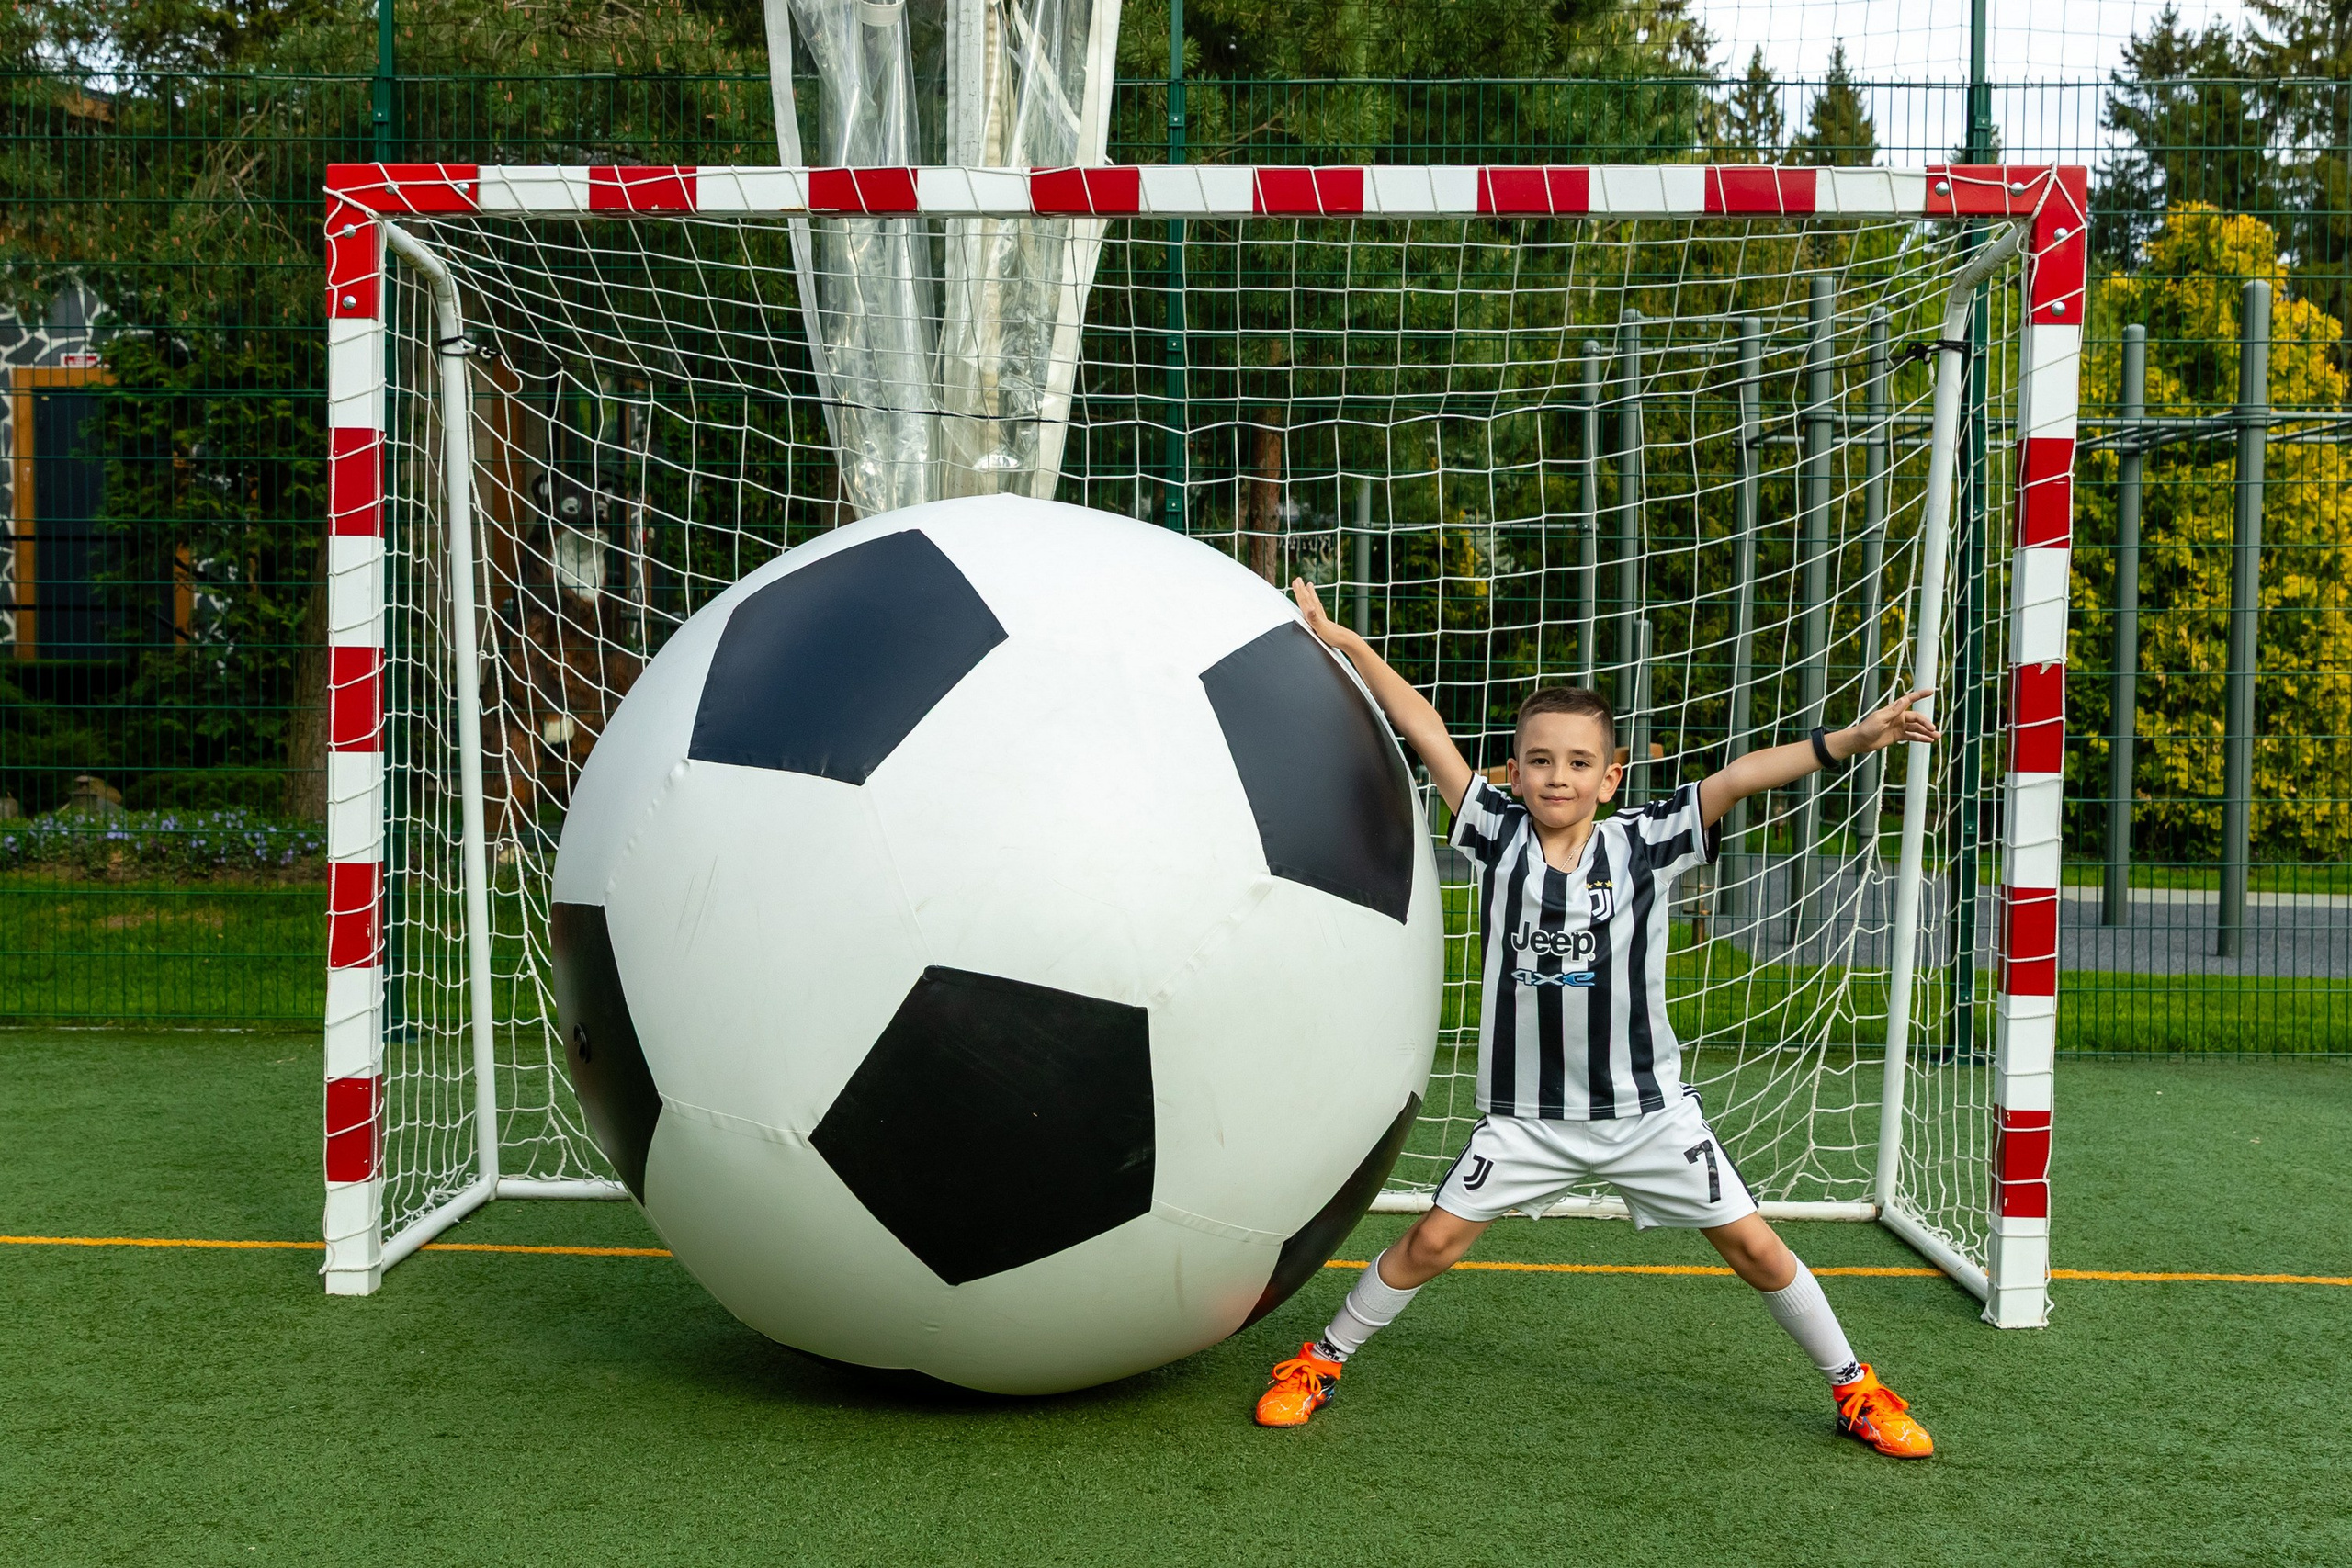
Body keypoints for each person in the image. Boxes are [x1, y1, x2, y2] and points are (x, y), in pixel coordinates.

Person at [1255, 578, 1941, 1460]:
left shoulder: (1645, 841)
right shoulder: (1491, 830)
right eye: (1540, 760)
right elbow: (1424, 726)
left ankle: (1856, 1388)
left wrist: (1852, 737)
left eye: (1579, 763)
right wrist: (1346, 644)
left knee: (1758, 1250)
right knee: (1429, 1242)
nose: (1558, 776)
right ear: (1513, 771)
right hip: (1528, 1122)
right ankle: (1321, 1360)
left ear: (1610, 776)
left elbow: (1737, 777)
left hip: (1648, 1117)